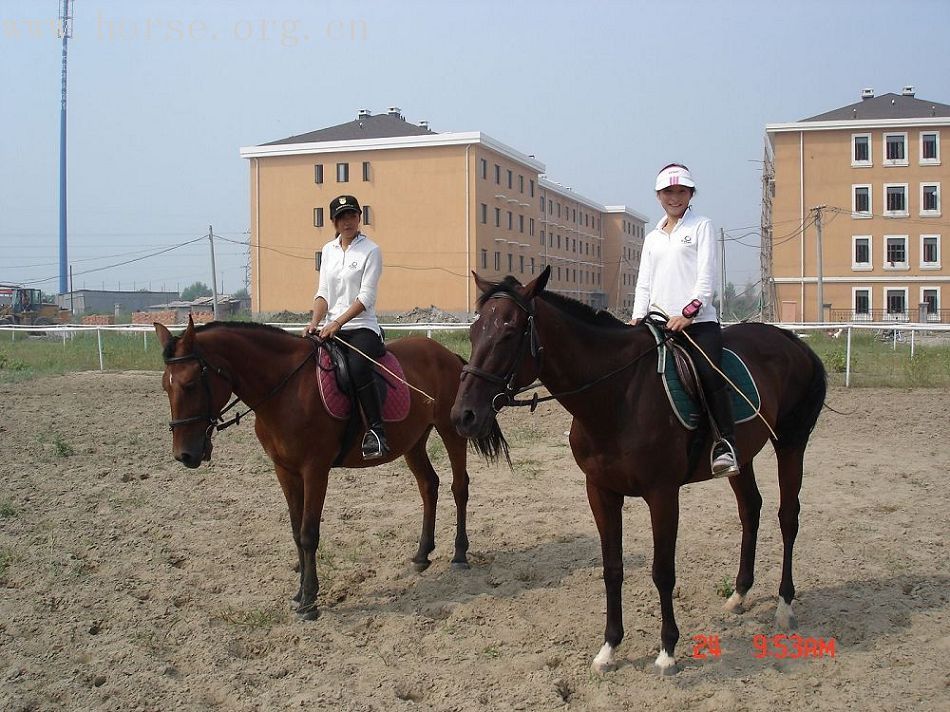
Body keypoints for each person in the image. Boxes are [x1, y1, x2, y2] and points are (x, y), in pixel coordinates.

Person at [630, 164, 738, 478]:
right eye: (668, 192)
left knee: (708, 373)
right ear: (658, 196)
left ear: (690, 194)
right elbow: (644, 284)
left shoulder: (701, 226)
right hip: (657, 324)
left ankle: (724, 444)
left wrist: (688, 313)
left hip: (698, 323)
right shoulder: (652, 238)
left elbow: (706, 279)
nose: (674, 197)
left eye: (681, 191)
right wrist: (637, 319)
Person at [304, 194, 389, 460]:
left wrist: (338, 322)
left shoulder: (371, 251)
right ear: (334, 222)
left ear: (359, 218)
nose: (347, 221)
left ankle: (376, 431)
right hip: (329, 326)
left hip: (362, 327)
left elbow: (366, 297)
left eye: (352, 215)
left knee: (357, 367)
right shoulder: (328, 251)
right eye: (341, 217)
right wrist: (315, 323)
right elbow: (323, 293)